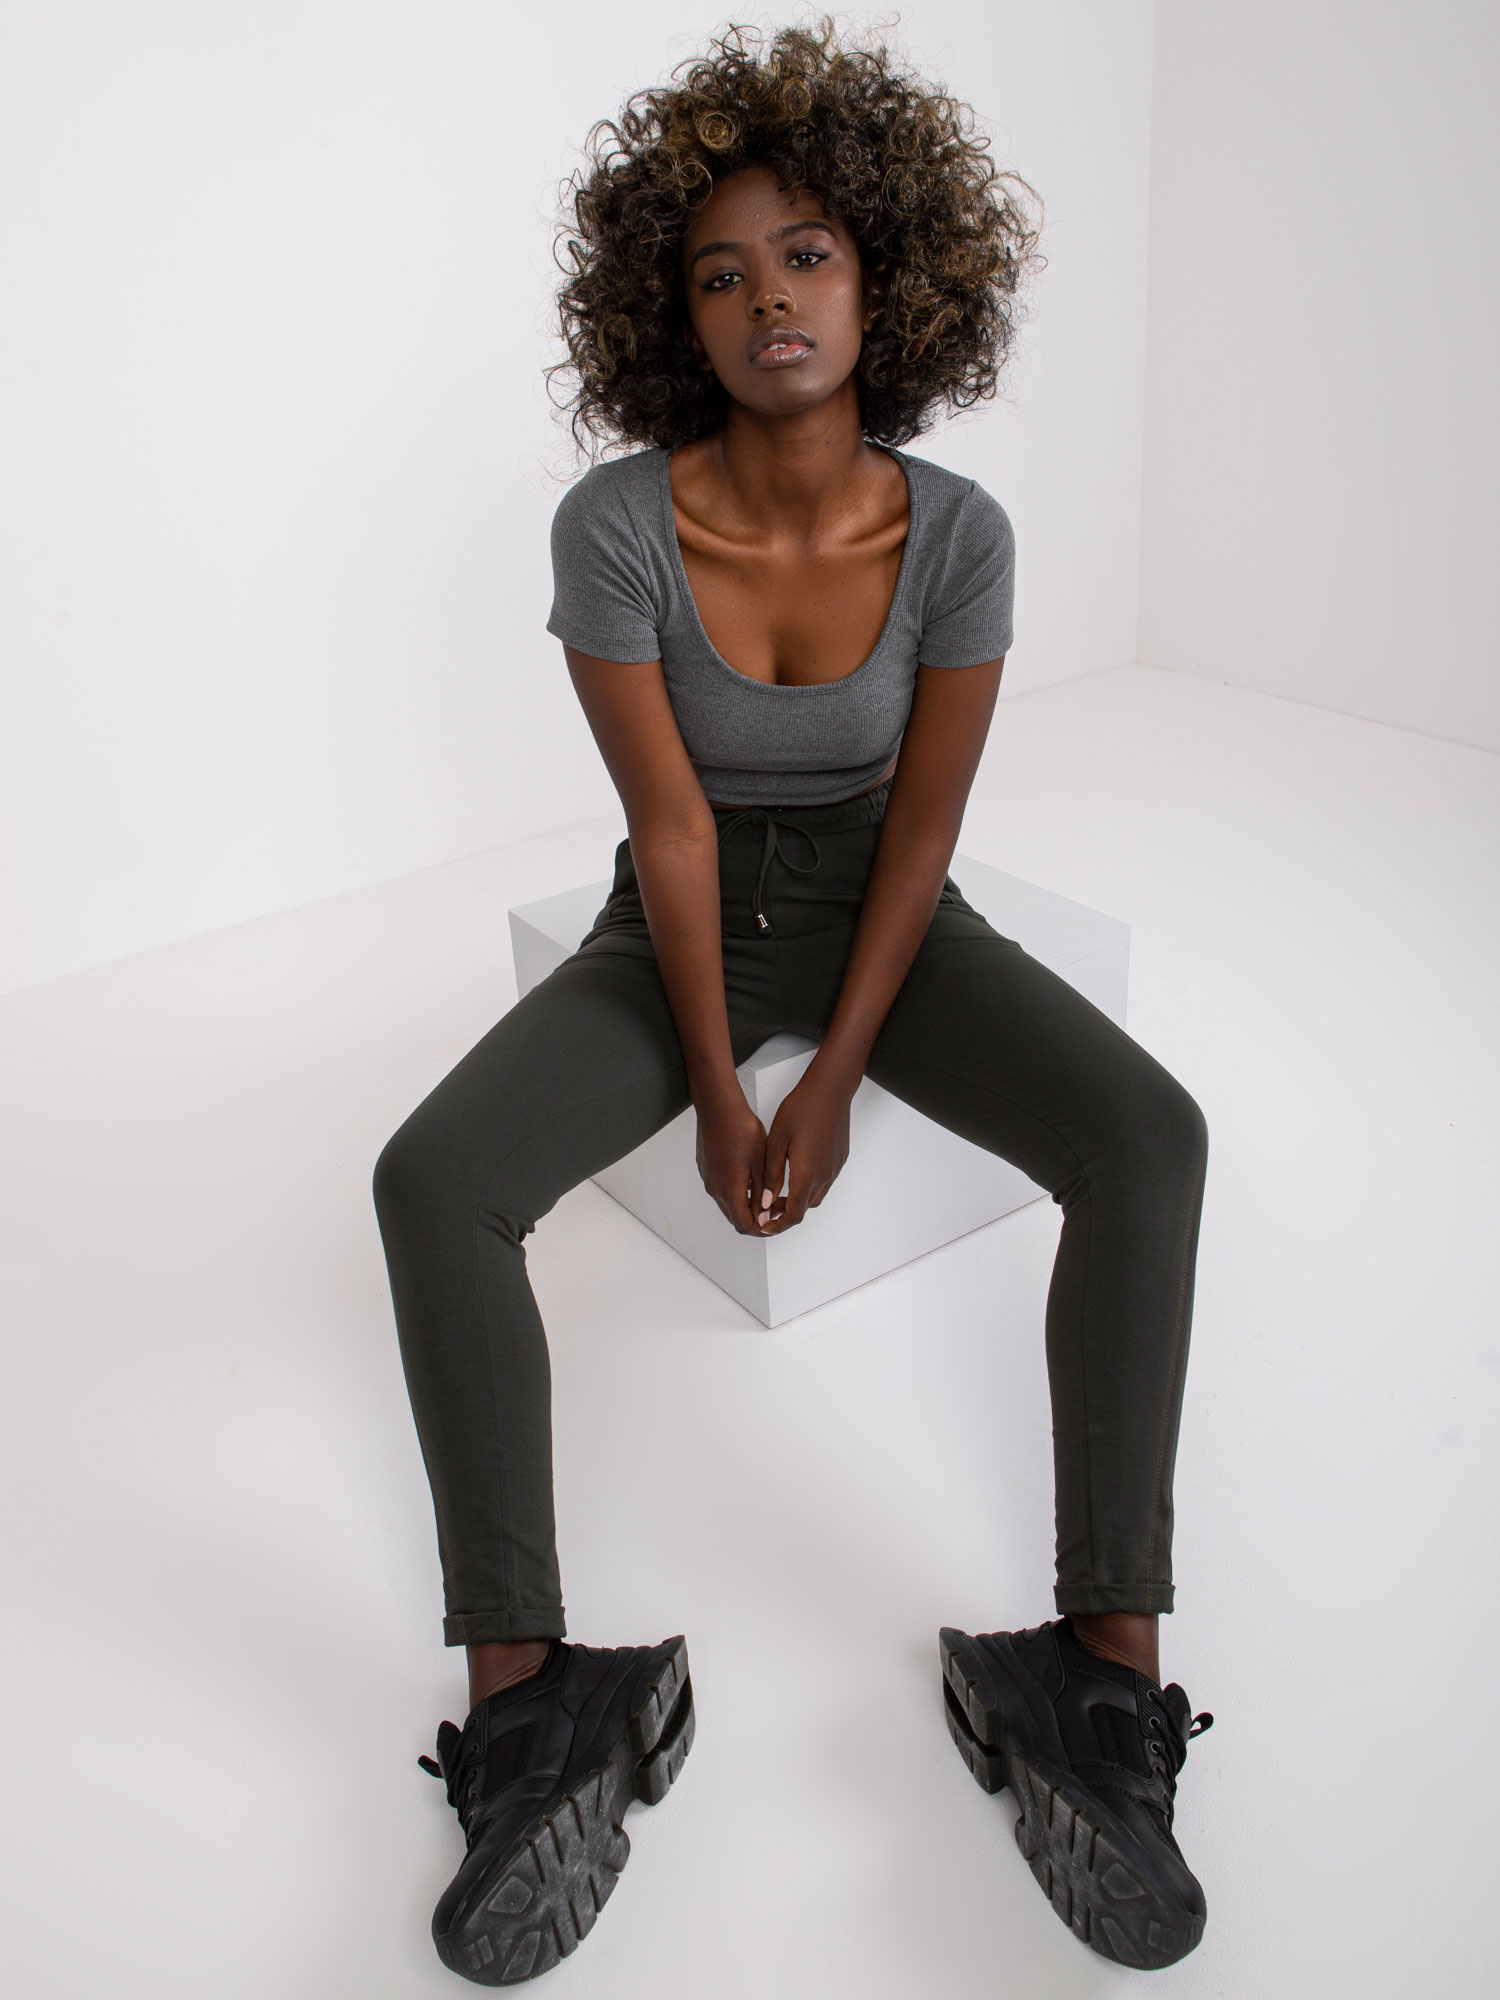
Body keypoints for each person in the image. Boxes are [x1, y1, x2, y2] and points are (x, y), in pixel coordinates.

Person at [373, 18, 1213, 1984]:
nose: (770, 299)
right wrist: (714, 1076)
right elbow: (669, 827)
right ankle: (534, 1707)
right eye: (721, 273)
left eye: (810, 254)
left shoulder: (963, 535)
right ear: (669, 316)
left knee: (1149, 1138)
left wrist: (829, 1077)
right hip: (679, 917)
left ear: (885, 276)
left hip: (885, 914)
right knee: (432, 1180)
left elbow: (923, 834)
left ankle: (1097, 1682)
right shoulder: (616, 526)